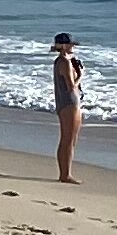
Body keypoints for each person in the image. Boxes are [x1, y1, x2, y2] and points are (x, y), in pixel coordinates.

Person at [52, 32, 83, 182]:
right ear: (64, 45)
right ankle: (65, 174)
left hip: (69, 102)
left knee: (71, 138)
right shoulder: (64, 62)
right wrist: (81, 75)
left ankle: (65, 173)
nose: (73, 47)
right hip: (69, 103)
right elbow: (71, 86)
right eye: (71, 44)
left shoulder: (63, 61)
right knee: (68, 139)